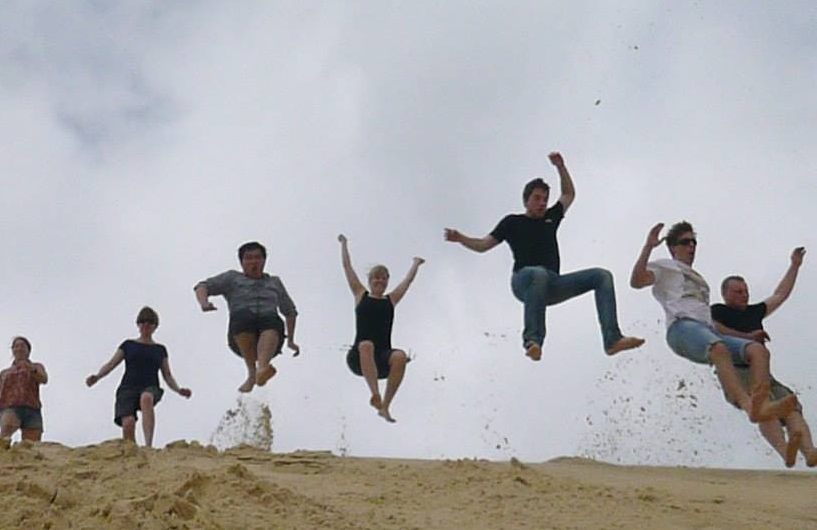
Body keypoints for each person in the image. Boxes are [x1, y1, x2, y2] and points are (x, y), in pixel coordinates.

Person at [444, 151, 643, 361]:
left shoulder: (550, 217)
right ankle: (533, 341)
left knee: (602, 276)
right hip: (524, 281)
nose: (542, 203)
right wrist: (461, 238)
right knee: (538, 274)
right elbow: (484, 245)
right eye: (537, 199)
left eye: (545, 200)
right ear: (526, 201)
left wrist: (561, 167)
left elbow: (568, 195)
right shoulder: (512, 222)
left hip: (553, 284)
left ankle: (612, 339)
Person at [630, 221, 799, 425]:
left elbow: (714, 323)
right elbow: (637, 281)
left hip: (706, 332)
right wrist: (648, 247)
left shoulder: (700, 280)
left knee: (758, 351)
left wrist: (746, 337)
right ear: (673, 247)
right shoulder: (665, 266)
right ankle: (749, 406)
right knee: (718, 348)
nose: (692, 246)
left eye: (694, 242)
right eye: (685, 242)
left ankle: (761, 403)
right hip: (682, 328)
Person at [711, 247, 814, 467]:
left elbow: (780, 294)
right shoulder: (718, 311)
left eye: (746, 290)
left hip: (764, 373)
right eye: (738, 291)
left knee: (791, 406)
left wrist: (794, 265)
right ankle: (784, 450)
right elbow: (716, 329)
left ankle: (809, 451)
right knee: (764, 405)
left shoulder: (754, 311)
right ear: (725, 294)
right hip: (737, 372)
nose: (744, 294)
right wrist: (748, 336)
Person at [338, 234, 424, 423]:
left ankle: (385, 406)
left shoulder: (390, 300)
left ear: (387, 281)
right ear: (370, 280)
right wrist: (344, 244)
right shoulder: (361, 295)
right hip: (358, 357)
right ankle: (375, 394)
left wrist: (416, 264)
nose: (380, 281)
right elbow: (347, 267)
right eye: (376, 278)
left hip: (382, 359)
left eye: (384, 278)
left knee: (400, 355)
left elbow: (407, 283)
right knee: (366, 345)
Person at [195, 241, 299, 393]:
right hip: (241, 334)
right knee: (244, 315)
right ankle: (252, 373)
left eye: (257, 258)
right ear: (242, 262)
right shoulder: (232, 278)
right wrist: (204, 303)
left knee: (272, 319)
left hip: (271, 336)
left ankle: (262, 368)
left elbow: (289, 311)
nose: (253, 262)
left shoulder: (274, 282)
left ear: (264, 261)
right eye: (249, 258)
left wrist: (291, 341)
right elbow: (202, 286)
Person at [86, 306, 191, 447]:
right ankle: (132, 453)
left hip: (150, 386)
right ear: (138, 324)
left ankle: (148, 445)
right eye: (142, 322)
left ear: (155, 326)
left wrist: (178, 390)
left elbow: (167, 375)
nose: (146, 325)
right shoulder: (128, 345)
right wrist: (97, 376)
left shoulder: (160, 349)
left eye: (149, 322)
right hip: (127, 388)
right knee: (128, 423)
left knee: (146, 398)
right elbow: (111, 364)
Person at [0, 336, 48, 442]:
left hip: (32, 409)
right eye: (16, 346)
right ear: (12, 350)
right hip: (11, 408)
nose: (19, 348)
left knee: (32, 446)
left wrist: (30, 368)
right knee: (4, 437)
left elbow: (43, 379)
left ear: (28, 350)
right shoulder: (5, 373)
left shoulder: (36, 366)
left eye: (22, 346)